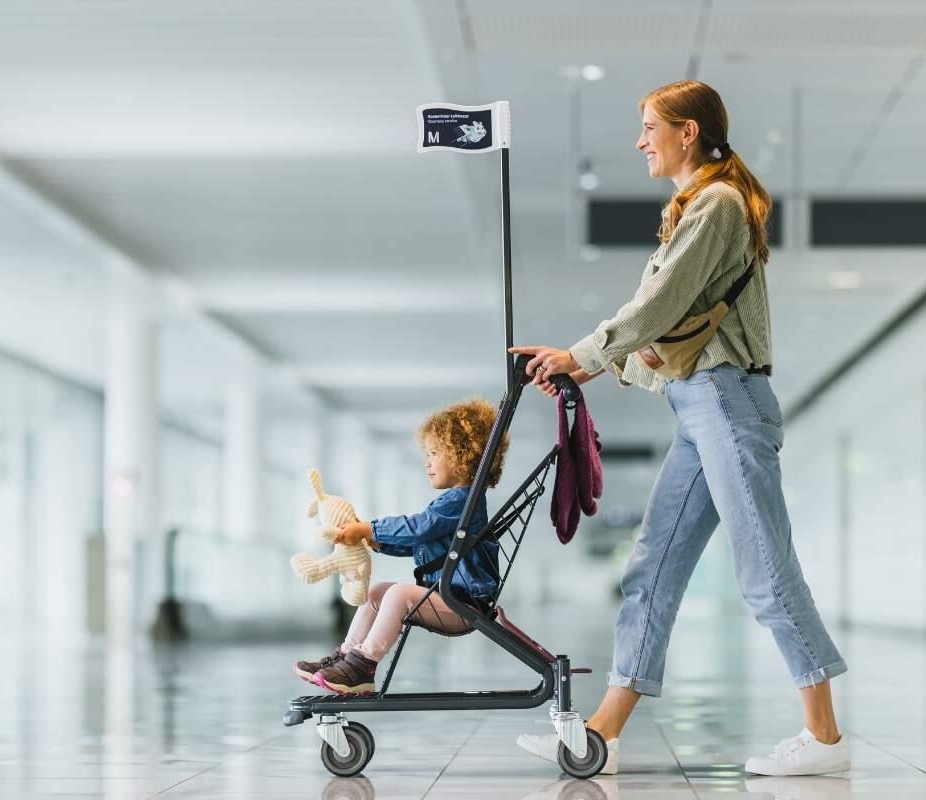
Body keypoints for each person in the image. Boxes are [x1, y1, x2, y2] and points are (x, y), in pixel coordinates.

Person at [510, 80, 850, 778]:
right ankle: (600, 735)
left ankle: (825, 740)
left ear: (687, 132)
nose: (640, 141)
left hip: (729, 405)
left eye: (648, 128)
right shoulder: (698, 208)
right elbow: (663, 344)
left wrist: (581, 354)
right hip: (699, 407)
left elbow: (657, 306)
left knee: (764, 570)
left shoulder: (718, 205)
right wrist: (582, 368)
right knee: (651, 569)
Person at [293, 398, 508, 695]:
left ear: (463, 457)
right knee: (376, 592)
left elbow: (419, 526)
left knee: (398, 593)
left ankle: (362, 665)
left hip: (464, 605)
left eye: (434, 453)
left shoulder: (461, 500)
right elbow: (421, 541)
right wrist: (373, 539)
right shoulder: (459, 501)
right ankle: (347, 656)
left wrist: (369, 528)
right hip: (448, 598)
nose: (427, 462)